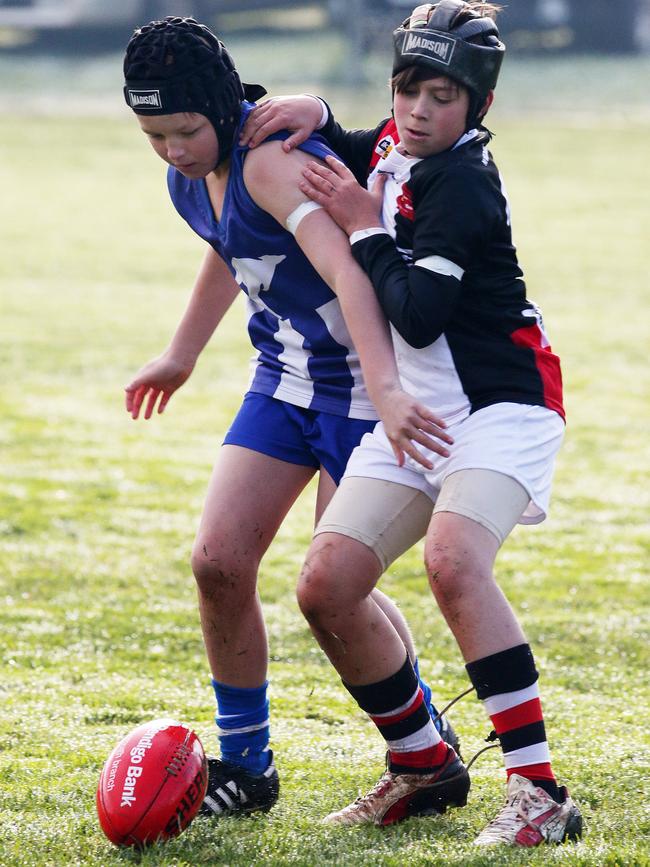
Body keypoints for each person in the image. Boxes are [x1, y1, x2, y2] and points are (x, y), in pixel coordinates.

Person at [241, 0, 583, 847]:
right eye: (407, 89)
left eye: (442, 95)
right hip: (423, 414)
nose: (419, 110)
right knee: (326, 584)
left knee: (453, 562)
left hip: (505, 403)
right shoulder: (403, 143)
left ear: (481, 107)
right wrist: (320, 112)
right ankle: (423, 763)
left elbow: (420, 313)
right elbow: (367, 149)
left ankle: (540, 792)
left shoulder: (462, 180)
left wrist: (360, 228)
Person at [120, 15, 464, 821]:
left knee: (337, 588)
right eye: (154, 135)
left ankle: (424, 751)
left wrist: (383, 394)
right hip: (283, 384)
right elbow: (229, 245)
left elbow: (349, 275)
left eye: (185, 129)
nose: (172, 149)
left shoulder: (269, 160)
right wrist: (182, 353)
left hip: (358, 388)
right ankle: (245, 766)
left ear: (218, 108)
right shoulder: (190, 175)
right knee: (217, 562)